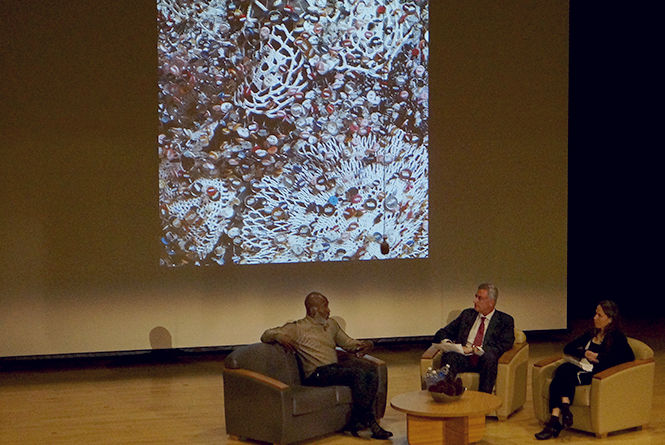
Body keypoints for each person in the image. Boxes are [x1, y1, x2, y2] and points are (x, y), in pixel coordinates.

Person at [261, 292, 393, 440]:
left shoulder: (331, 325)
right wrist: (278, 336)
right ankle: (370, 422)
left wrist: (366, 344)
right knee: (357, 374)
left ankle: (356, 420)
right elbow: (266, 334)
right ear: (313, 310)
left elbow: (349, 344)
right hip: (315, 374)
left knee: (370, 373)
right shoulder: (298, 327)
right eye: (325, 306)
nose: (329, 310)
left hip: (333, 369)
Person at [535, 300, 635, 440]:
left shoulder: (617, 338)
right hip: (582, 368)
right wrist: (585, 353)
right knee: (563, 370)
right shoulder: (591, 334)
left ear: (610, 319)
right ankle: (562, 410)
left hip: (596, 374)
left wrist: (599, 357)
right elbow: (568, 348)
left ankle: (556, 420)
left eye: (599, 315)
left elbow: (628, 358)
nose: (595, 318)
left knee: (563, 374)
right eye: (595, 314)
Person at [432, 283, 515, 394]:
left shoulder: (505, 320)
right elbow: (442, 332)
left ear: (491, 302)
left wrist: (476, 349)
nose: (474, 301)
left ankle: (483, 400)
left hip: (484, 360)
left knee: (489, 357)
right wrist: (449, 344)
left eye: (479, 298)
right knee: (449, 356)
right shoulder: (467, 315)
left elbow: (506, 343)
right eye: (475, 296)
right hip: (464, 357)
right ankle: (447, 395)